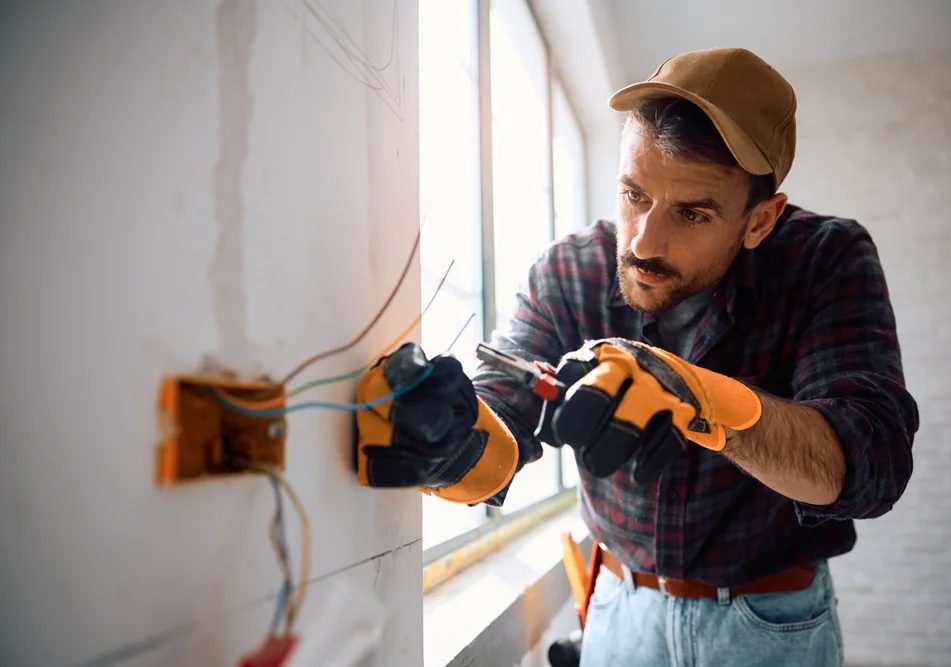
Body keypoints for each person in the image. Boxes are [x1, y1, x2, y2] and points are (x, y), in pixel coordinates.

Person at [355, 47, 919, 667]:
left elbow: (871, 464)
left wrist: (693, 395)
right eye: (634, 193)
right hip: (616, 606)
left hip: (770, 622)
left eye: (693, 213)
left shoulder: (825, 259)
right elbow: (503, 410)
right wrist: (451, 447)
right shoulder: (569, 269)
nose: (645, 241)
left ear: (760, 221)